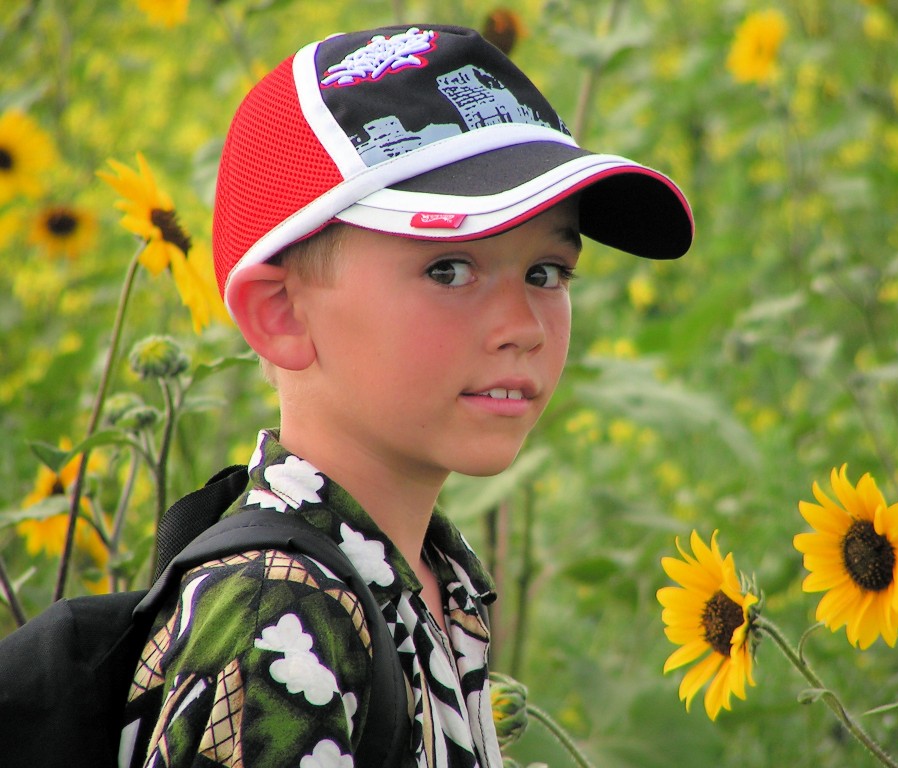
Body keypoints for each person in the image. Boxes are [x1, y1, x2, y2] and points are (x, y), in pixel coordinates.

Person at [119, 23, 693, 768]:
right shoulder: (280, 618)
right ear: (283, 314)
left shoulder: (423, 572)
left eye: (547, 272)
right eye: (450, 270)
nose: (522, 326)